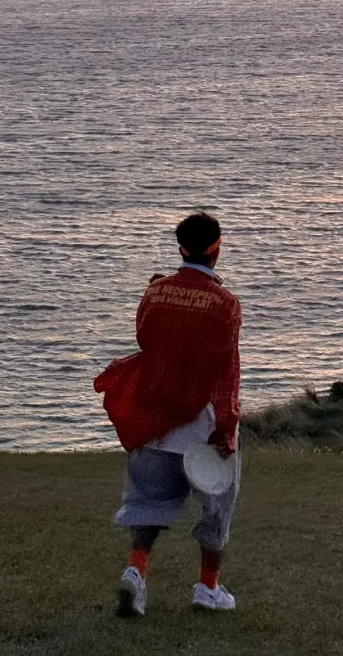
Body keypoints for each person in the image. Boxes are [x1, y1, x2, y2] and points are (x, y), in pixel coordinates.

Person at [94, 210, 242, 618]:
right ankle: (208, 588)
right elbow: (227, 372)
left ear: (181, 249)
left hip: (155, 419)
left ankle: (136, 571)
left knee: (147, 502)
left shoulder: (155, 292)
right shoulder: (225, 304)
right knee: (217, 507)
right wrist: (227, 427)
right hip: (202, 424)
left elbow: (144, 336)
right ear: (217, 249)